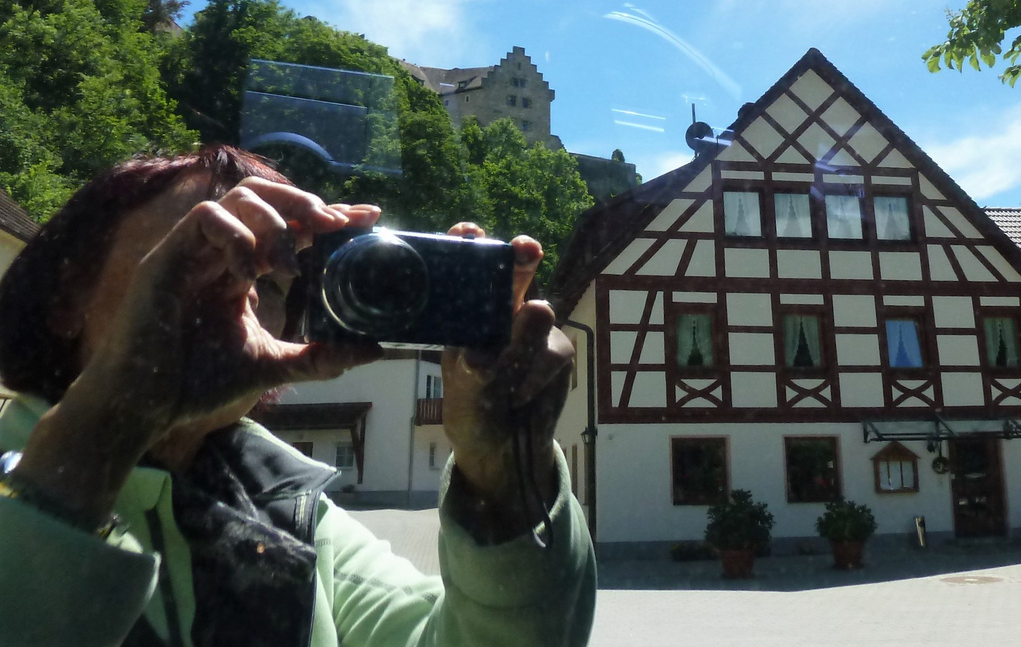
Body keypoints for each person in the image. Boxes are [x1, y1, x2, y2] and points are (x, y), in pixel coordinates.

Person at [0, 146, 596, 647]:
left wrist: (505, 482)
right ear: (66, 297)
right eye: (204, 261)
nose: (245, 301)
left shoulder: (292, 514)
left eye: (273, 277)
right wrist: (97, 435)